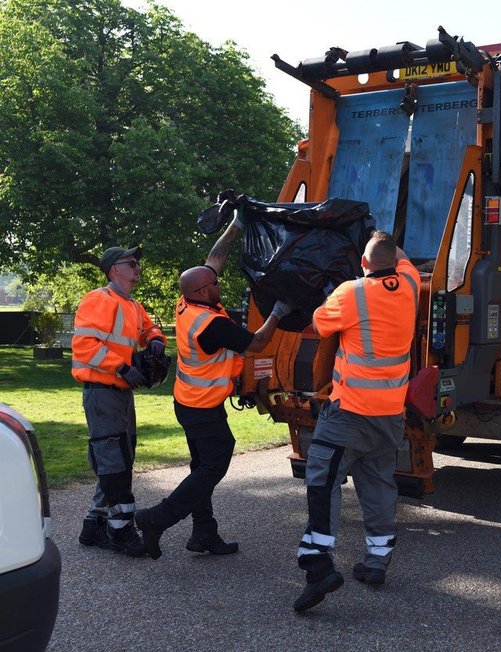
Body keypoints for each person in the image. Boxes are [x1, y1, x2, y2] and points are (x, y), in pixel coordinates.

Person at [134, 220, 293, 560]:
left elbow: (214, 258)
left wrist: (236, 224)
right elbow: (258, 342)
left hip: (188, 402)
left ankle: (204, 533)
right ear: (205, 291)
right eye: (216, 283)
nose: (219, 282)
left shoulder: (188, 301)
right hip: (202, 408)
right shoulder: (213, 325)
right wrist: (280, 310)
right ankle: (155, 519)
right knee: (213, 465)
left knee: (201, 467)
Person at [293, 230, 419, 613]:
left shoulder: (351, 293)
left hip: (348, 413)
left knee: (322, 478)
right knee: (379, 484)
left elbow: (319, 324)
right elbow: (398, 255)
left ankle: (318, 561)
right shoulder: (411, 284)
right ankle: (377, 562)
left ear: (363, 264)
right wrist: (378, 238)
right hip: (389, 415)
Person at [72, 246, 166, 557]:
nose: (138, 268)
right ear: (115, 270)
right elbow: (85, 345)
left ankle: (94, 524)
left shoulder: (132, 305)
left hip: (120, 393)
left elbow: (148, 327)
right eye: (132, 264)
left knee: (120, 458)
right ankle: (121, 530)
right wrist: (122, 367)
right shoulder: (99, 299)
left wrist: (153, 339)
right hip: (103, 391)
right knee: (114, 461)